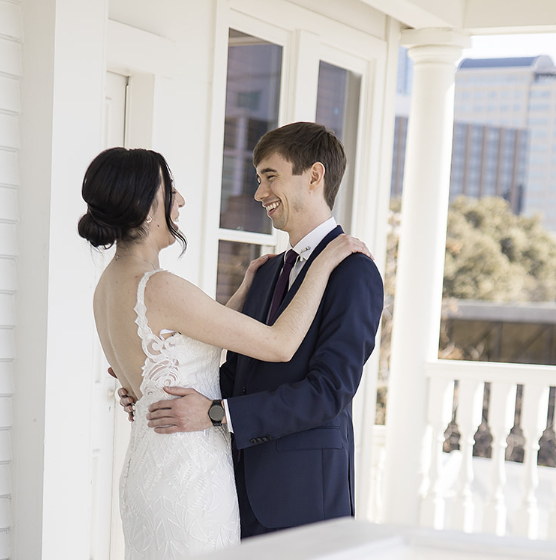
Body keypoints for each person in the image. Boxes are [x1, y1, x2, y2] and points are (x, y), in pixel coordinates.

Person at [78, 146, 369, 560]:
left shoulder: (108, 285)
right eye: (170, 190)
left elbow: (186, 340)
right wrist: (323, 264)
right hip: (187, 477)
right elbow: (279, 344)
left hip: (150, 468)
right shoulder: (160, 286)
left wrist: (141, 392)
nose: (179, 200)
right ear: (145, 206)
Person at [141, 122, 385, 537]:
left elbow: (328, 392)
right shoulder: (267, 271)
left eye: (270, 176)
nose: (258, 193)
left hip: (305, 495)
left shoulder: (354, 272)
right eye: (258, 179)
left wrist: (217, 413)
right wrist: (160, 382)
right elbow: (238, 373)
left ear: (314, 175)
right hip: (234, 487)